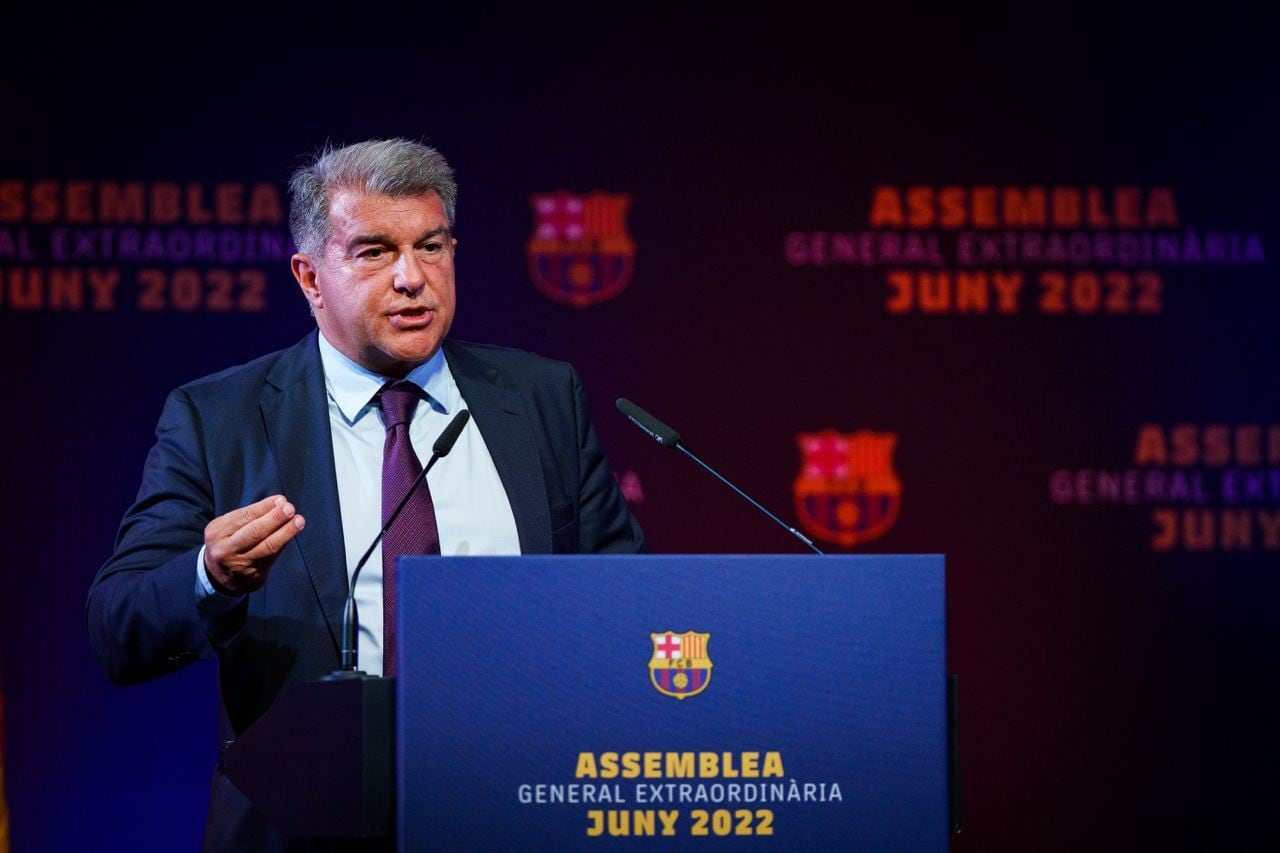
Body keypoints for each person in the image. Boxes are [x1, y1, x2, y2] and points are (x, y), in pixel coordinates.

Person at [85, 139, 646, 850]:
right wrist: (209, 576)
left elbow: (626, 602)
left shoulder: (540, 399)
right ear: (310, 276)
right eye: (375, 252)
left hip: (518, 816)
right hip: (306, 831)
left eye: (432, 246)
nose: (412, 278)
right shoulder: (218, 418)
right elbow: (117, 625)